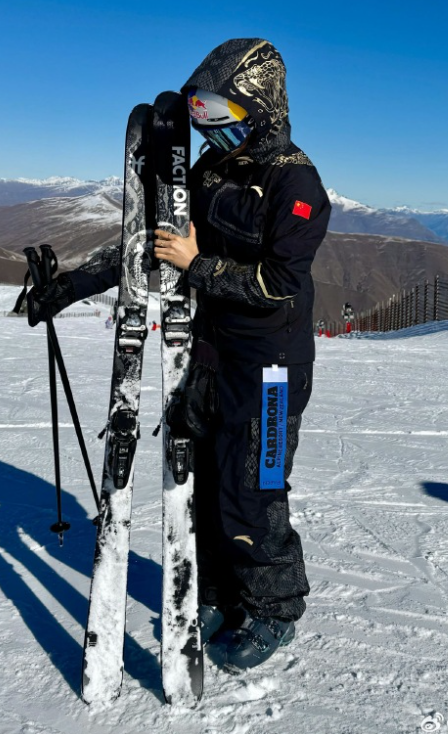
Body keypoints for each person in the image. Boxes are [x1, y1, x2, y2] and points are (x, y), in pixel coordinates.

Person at [26, 38, 331, 674]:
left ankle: (274, 609)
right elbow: (151, 241)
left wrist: (201, 265)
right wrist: (69, 287)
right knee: (207, 485)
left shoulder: (296, 183)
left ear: (264, 109)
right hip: (211, 357)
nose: (214, 136)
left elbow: (278, 282)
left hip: (270, 368)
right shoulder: (210, 174)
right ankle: (216, 592)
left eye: (228, 120)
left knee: (254, 489)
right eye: (206, 123)